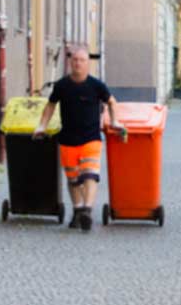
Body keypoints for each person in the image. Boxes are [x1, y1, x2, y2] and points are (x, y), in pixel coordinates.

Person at [33, 47, 120, 232]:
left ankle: (87, 210)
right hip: (68, 140)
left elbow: (111, 102)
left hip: (91, 139)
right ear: (70, 62)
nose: (78, 63)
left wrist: (114, 121)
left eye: (82, 60)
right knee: (73, 180)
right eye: (75, 60)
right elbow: (50, 105)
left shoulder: (96, 85)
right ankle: (78, 210)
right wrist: (42, 126)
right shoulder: (62, 85)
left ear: (87, 63)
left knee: (90, 175)